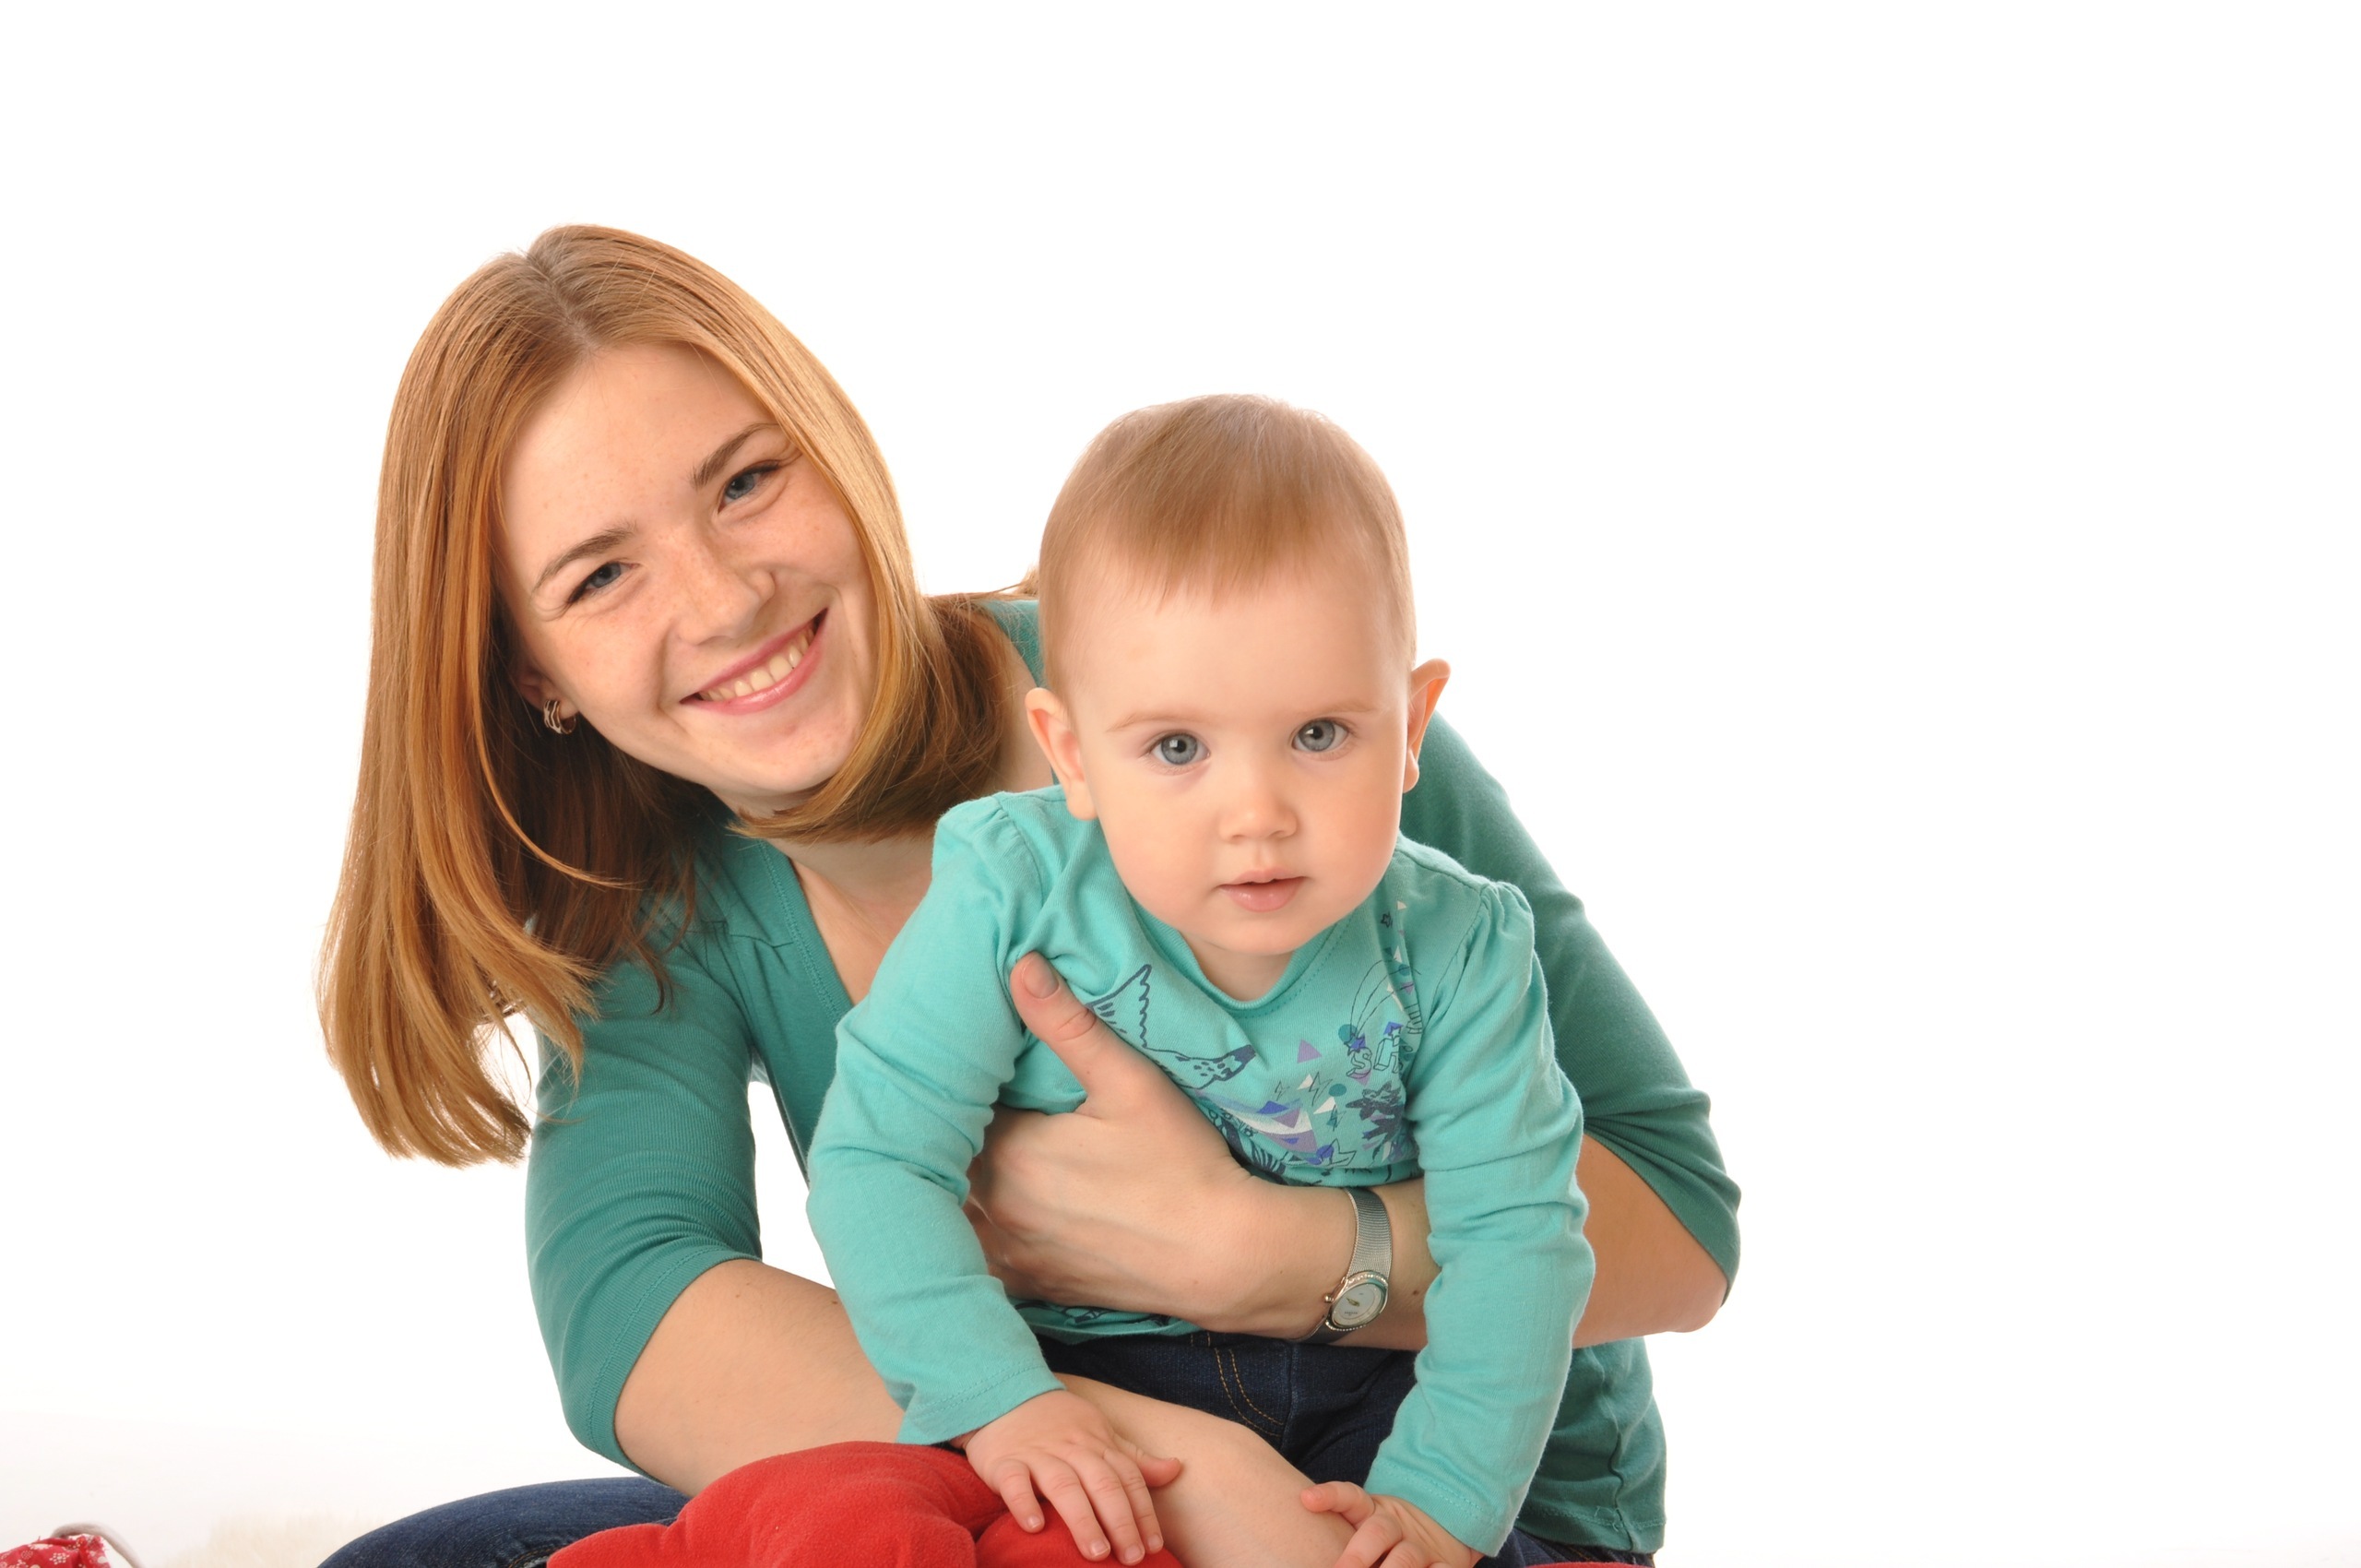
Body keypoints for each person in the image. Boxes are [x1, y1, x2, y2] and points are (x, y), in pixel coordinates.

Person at [316, 225, 1738, 1568]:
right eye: (601, 575)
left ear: (838, 455)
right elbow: (630, 1301)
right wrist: (1143, 1463)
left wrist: (1264, 1254)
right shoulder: (665, 886)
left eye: (745, 483)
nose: (723, 598)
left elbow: (1678, 1221)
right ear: (536, 675)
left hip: (1451, 1499)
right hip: (1068, 1469)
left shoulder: (1249, 686)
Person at [804, 394, 1588, 1568]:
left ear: (1411, 724)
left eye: (1318, 734)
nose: (1256, 813)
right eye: (1177, 747)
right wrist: (997, 1396)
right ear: (1071, 753)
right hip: (1079, 1378)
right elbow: (878, 1157)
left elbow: (1517, 1237)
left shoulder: (1462, 944)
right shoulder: (1011, 886)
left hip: (1380, 1386)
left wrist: (1440, 1499)